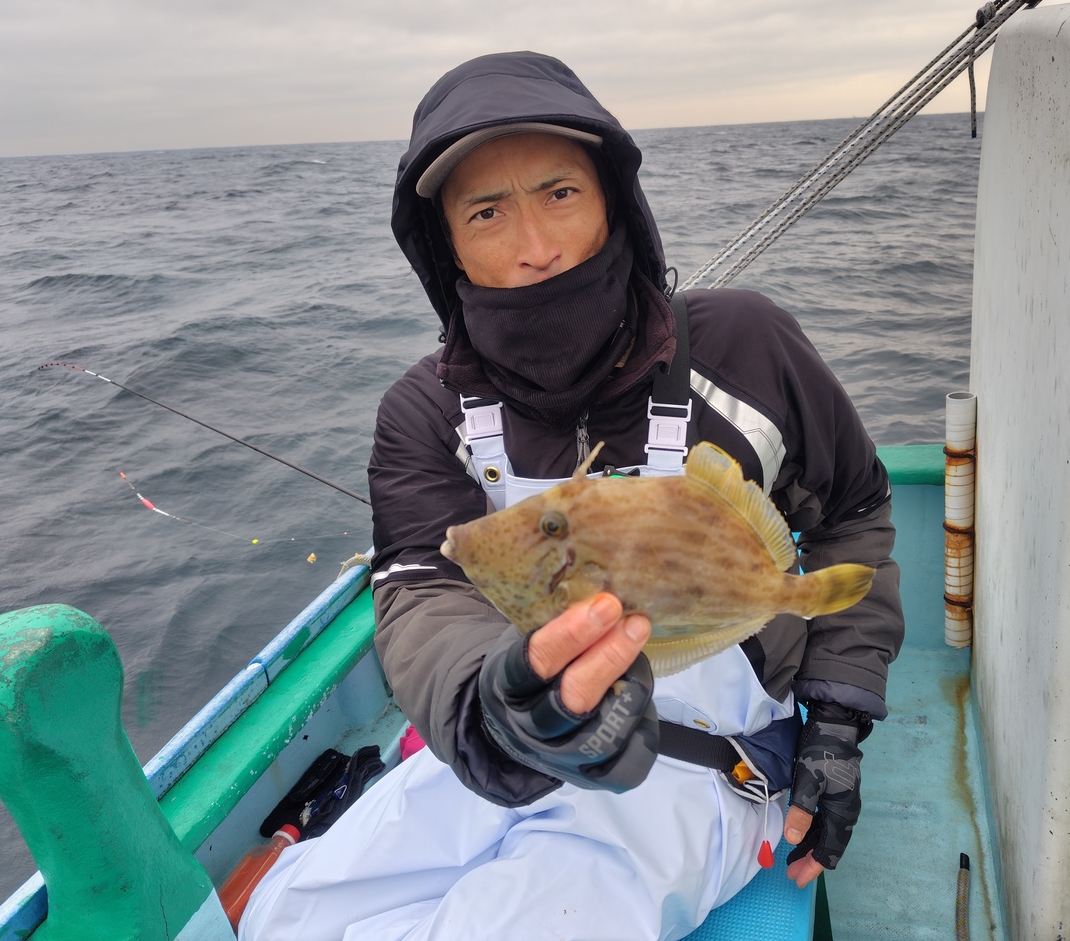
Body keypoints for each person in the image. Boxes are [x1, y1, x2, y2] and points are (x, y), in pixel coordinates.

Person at [240, 51, 903, 941]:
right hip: (511, 747)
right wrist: (497, 711)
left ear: (613, 203)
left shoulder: (746, 344)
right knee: (289, 912)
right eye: (486, 211)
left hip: (707, 766)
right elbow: (421, 589)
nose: (536, 247)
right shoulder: (426, 410)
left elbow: (853, 515)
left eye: (560, 193)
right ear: (445, 244)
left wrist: (838, 722)